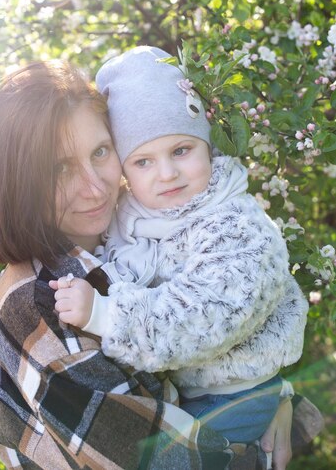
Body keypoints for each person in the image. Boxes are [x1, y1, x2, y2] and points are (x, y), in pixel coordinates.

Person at [0, 60, 296, 470]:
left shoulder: (132, 231)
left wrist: (267, 388)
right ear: (19, 183)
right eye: (59, 169)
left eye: (100, 152)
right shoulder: (41, 304)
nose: (95, 187)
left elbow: (220, 310)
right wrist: (266, 438)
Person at [52, 47, 309, 449]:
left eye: (181, 151)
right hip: (195, 390)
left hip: (237, 393)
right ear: (124, 169)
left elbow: (202, 317)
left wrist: (105, 315)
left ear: (207, 145)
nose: (167, 173)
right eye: (143, 162)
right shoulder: (133, 214)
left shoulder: (235, 225)